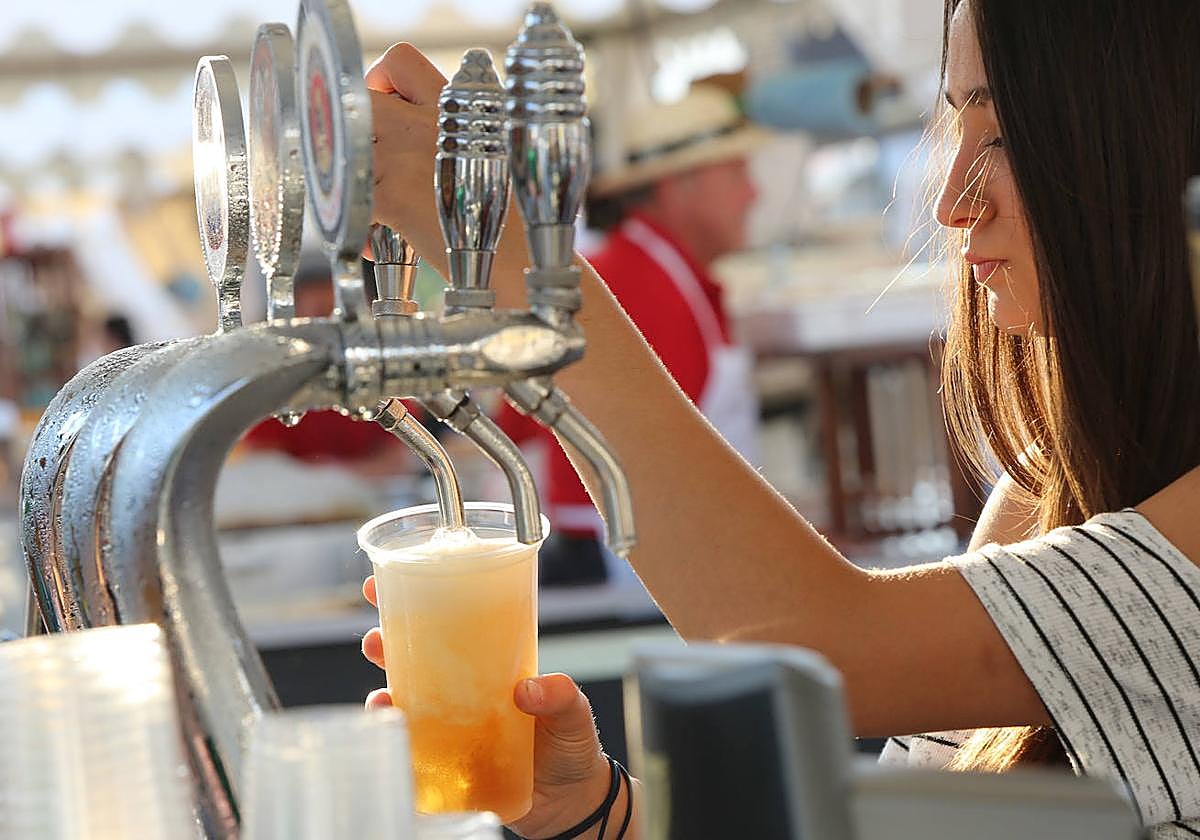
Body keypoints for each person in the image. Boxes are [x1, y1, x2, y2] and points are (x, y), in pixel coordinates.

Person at [360, 1, 1200, 836]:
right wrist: (598, 812)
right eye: (961, 126)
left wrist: (512, 260)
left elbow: (814, 647)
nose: (951, 202)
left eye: (1006, 134)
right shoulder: (1045, 489)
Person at [495, 84, 764, 586]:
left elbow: (520, 418)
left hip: (657, 559)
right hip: (635, 570)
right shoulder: (629, 287)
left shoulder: (650, 274)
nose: (755, 193)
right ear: (678, 186)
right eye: (736, 172)